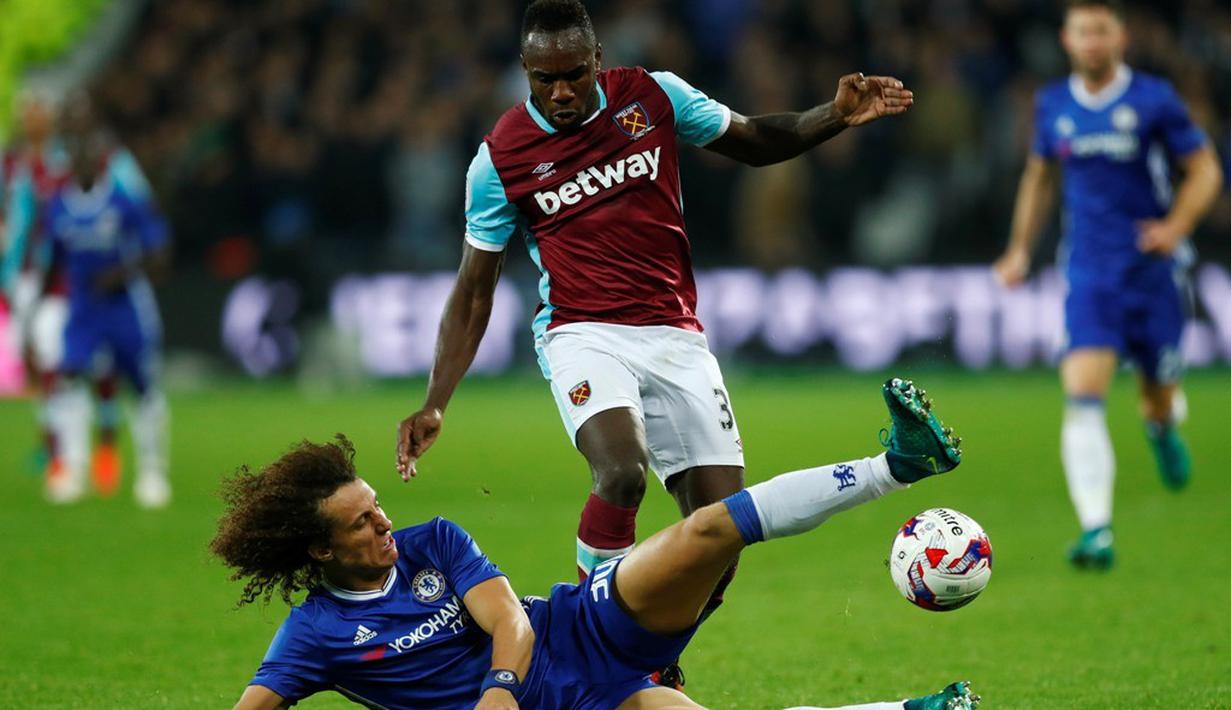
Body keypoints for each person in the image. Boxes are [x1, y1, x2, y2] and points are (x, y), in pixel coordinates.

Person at [394, 0, 916, 657]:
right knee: (620, 473)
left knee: (716, 542)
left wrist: (834, 115)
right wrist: (436, 399)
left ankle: (646, 661)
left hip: (674, 333)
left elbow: (753, 140)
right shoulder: (499, 158)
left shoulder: (651, 95)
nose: (559, 92)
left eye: (573, 75)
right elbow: (474, 290)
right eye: (543, 78)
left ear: (597, 61)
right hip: (581, 333)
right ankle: (592, 650)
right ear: (524, 71)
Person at [215, 378, 976, 710]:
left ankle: (899, 463)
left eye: (376, 507)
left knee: (707, 530)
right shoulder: (312, 638)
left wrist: (497, 693)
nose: (385, 525)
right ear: (320, 552)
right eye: (362, 524)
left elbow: (509, 620)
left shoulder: (432, 543)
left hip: (577, 626)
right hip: (576, 703)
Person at [992, 0, 1223, 569]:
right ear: (1067, 40)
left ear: (1120, 35)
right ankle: (1097, 529)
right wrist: (1019, 249)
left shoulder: (1154, 100)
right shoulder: (1053, 105)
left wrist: (1177, 226)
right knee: (1083, 394)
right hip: (1090, 272)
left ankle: (1162, 425)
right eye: (1081, 31)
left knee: (1156, 395)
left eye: (1101, 30)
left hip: (1152, 272)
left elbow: (1205, 168)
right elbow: (1039, 178)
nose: (1091, 41)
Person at [1, 90, 147, 495]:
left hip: (84, 280)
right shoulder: (19, 166)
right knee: (51, 367)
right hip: (36, 279)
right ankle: (61, 457)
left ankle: (101, 449)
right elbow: (15, 221)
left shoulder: (97, 161)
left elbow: (137, 205)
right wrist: (10, 275)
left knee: (93, 367)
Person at [38, 99, 172, 507]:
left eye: (89, 156)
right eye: (75, 156)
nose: (82, 162)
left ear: (101, 161)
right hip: (82, 308)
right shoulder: (58, 206)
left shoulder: (121, 200)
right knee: (69, 378)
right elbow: (53, 258)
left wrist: (124, 273)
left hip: (123, 306)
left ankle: (151, 471)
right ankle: (73, 469)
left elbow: (157, 248)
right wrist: (39, 306)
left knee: (142, 385)